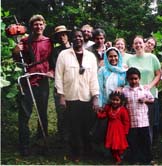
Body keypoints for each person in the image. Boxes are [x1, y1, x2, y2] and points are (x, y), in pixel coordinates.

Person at [55, 29, 100, 162]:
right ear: (71, 39)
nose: (78, 39)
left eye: (80, 36)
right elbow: (58, 76)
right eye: (75, 37)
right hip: (70, 96)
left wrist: (95, 97)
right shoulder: (63, 55)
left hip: (86, 96)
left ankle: (87, 151)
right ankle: (76, 152)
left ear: (83, 38)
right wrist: (61, 96)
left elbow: (94, 78)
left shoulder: (91, 57)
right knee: (73, 126)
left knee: (86, 125)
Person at [12, 14, 53, 156]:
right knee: (25, 113)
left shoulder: (49, 42)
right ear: (31, 26)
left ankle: (42, 142)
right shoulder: (24, 41)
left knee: (42, 113)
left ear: (44, 25)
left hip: (42, 80)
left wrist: (51, 72)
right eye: (36, 24)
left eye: (41, 24)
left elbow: (52, 61)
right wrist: (15, 51)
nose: (39, 26)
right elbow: (17, 60)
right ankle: (24, 144)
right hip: (27, 80)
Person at [126, 35, 161, 145]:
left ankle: (148, 150)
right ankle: (135, 150)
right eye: (135, 43)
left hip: (150, 96)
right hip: (134, 97)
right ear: (133, 45)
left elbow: (158, 74)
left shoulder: (152, 57)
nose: (138, 45)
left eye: (140, 43)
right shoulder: (129, 60)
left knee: (149, 124)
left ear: (144, 44)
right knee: (135, 124)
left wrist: (150, 85)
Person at [122, 67, 155, 164]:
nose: (133, 81)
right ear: (128, 79)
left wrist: (145, 100)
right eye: (131, 79)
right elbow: (122, 103)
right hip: (131, 122)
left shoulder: (143, 89)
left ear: (139, 78)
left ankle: (148, 159)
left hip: (143, 121)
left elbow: (152, 99)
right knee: (133, 142)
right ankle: (135, 159)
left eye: (135, 78)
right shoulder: (125, 91)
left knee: (145, 141)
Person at [96, 91, 130, 164]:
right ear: (111, 100)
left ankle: (120, 156)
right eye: (113, 100)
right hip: (110, 129)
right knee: (112, 145)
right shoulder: (108, 108)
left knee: (119, 145)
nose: (115, 102)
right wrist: (98, 114)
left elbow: (126, 121)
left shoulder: (122, 109)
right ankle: (117, 158)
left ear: (121, 101)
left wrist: (126, 131)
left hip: (119, 131)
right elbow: (104, 115)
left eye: (117, 100)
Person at [51, 25, 71, 143]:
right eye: (59, 35)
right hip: (61, 84)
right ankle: (62, 137)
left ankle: (72, 135)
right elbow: (56, 68)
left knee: (72, 111)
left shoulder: (74, 48)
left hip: (74, 84)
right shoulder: (55, 51)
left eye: (64, 34)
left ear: (67, 35)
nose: (62, 37)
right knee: (61, 110)